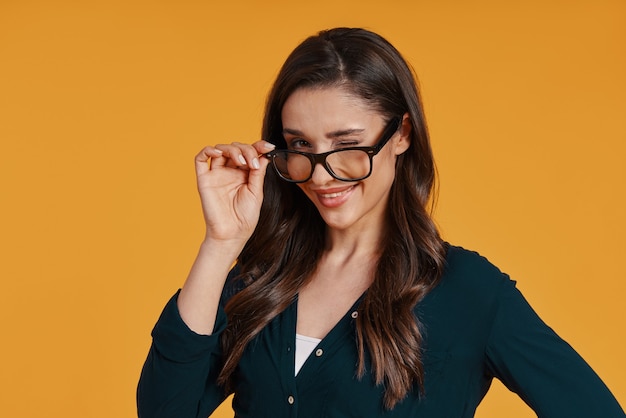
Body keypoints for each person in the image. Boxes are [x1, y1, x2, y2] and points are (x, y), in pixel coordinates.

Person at [136, 27, 623, 418]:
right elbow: (164, 411)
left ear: (402, 134)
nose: (323, 174)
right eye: (300, 147)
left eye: (347, 145)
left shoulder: (470, 292)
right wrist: (221, 243)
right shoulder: (254, 280)